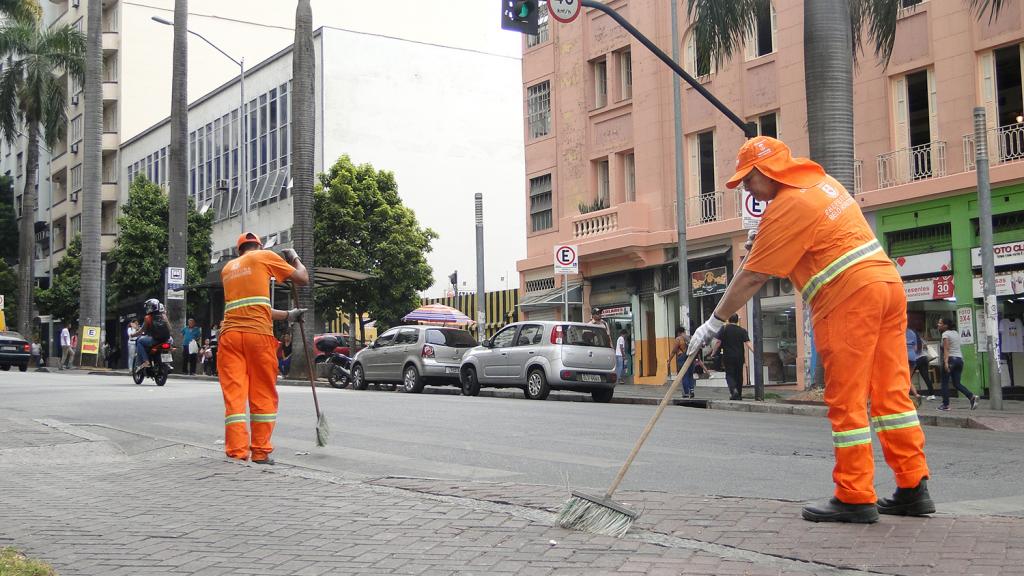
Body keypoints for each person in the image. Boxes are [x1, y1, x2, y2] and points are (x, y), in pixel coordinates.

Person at [687, 136, 933, 524]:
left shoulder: (787, 206)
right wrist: (763, 240)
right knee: (892, 394)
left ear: (766, 172)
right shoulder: (822, 184)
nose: (746, 189)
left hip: (849, 298)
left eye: (748, 180)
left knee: (847, 399)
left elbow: (752, 276)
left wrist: (714, 321)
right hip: (886, 286)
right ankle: (913, 487)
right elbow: (805, 243)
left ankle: (854, 495)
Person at [218, 232, 308, 465]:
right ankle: (259, 452)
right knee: (262, 394)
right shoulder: (263, 257)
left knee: (235, 398)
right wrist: (294, 257)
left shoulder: (228, 269)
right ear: (257, 246)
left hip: (230, 338)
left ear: (240, 251)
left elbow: (255, 306)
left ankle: (237, 452)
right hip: (257, 337)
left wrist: (288, 315)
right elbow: (302, 278)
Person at [937, 317, 979, 412]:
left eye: (940, 323)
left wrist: (946, 362)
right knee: (957, 383)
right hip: (959, 360)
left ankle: (945, 405)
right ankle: (971, 396)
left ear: (945, 325)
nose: (938, 325)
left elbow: (947, 349)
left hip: (951, 359)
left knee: (944, 383)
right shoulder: (955, 333)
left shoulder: (945, 334)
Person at [710, 314, 753, 400]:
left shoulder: (724, 329)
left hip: (728, 356)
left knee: (729, 374)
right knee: (739, 375)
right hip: (740, 357)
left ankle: (733, 390)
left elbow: (718, 342)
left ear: (729, 320)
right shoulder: (742, 330)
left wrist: (713, 353)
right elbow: (748, 343)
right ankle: (739, 394)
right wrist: (756, 352)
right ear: (737, 321)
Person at [134, 299, 171, 373]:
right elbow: (170, 328)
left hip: (155, 340)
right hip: (166, 339)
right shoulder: (164, 316)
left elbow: (141, 331)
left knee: (139, 341)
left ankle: (146, 361)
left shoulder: (148, 317)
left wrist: (133, 334)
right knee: (170, 344)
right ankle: (168, 363)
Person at [666, 326, 696, 398]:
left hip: (682, 357)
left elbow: (674, 351)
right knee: (690, 375)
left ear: (678, 332)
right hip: (690, 357)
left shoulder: (678, 339)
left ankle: (686, 392)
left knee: (684, 375)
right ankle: (691, 390)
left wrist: (669, 360)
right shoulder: (690, 337)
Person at [907, 328, 934, 401]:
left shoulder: (910, 337)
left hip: (916, 359)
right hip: (923, 358)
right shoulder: (920, 340)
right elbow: (925, 346)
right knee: (926, 377)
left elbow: (914, 350)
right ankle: (932, 394)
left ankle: (909, 393)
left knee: (907, 378)